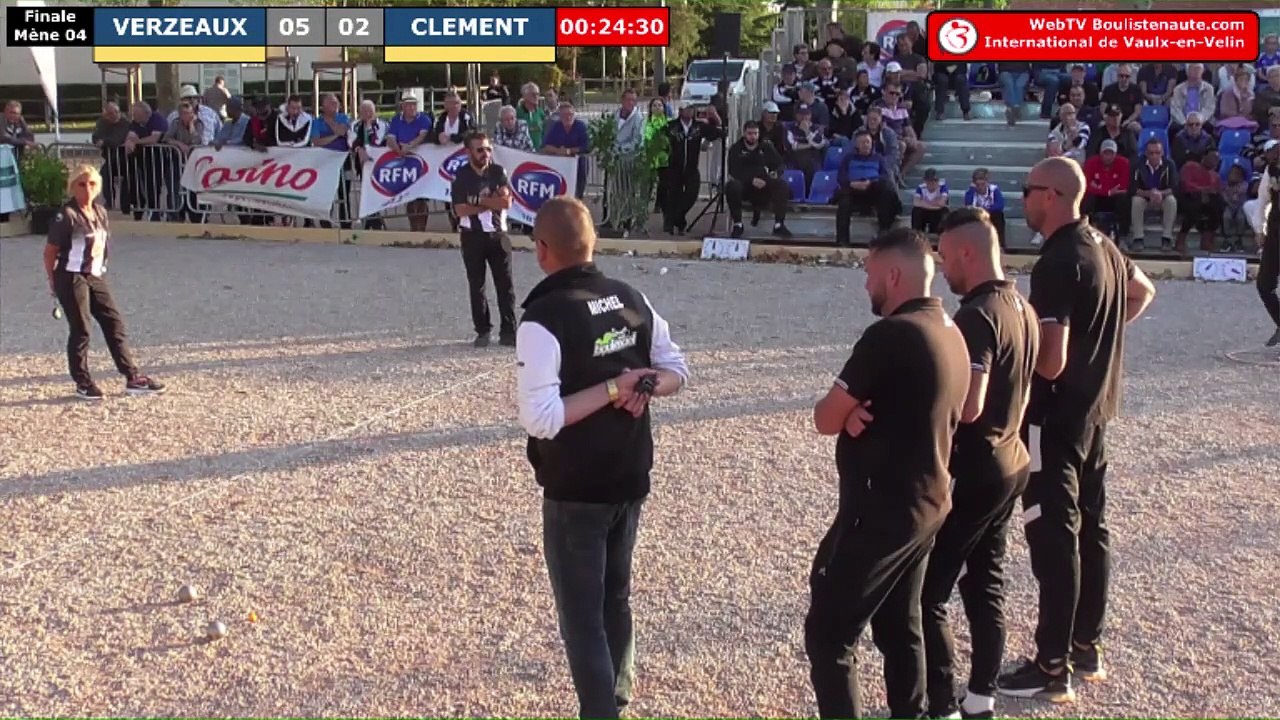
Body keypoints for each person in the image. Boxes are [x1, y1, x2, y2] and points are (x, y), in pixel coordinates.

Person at [516, 196, 688, 720]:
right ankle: (617, 693)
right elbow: (677, 370)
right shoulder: (630, 297)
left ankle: (601, 711)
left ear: (542, 250)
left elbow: (540, 417)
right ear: (592, 243)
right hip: (629, 474)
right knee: (615, 597)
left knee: (583, 616)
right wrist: (643, 384)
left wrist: (620, 386)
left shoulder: (543, 319)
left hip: (577, 487)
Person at [997, 157, 1156, 703]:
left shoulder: (1059, 260)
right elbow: (1143, 293)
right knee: (1092, 528)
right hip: (1096, 413)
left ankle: (1051, 665)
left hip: (1054, 419)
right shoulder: (1104, 246)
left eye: (1028, 189)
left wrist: (1012, 338)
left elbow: (1050, 362)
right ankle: (1087, 648)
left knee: (1053, 535)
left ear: (1054, 194)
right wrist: (1102, 341)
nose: (1023, 199)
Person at [807, 226, 970, 720]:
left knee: (830, 635)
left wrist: (845, 412)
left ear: (893, 275)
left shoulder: (890, 336)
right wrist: (858, 410)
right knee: (901, 625)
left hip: (881, 511)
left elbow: (824, 417)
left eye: (869, 273)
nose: (865, 285)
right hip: (928, 500)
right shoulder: (949, 329)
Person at [924, 208, 1040, 719]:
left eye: (946, 257)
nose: (944, 269)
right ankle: (981, 696)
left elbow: (968, 405)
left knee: (928, 593)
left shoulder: (976, 316)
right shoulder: (1022, 305)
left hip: (975, 469)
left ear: (967, 253)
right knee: (985, 580)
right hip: (1012, 457)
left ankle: (942, 703)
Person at [42, 164, 166, 400]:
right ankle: (82, 381)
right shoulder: (66, 215)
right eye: (81, 184)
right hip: (70, 274)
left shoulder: (100, 211)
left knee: (114, 322)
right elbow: (49, 252)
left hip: (94, 274)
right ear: (72, 187)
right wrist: (52, 283)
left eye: (91, 184)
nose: (87, 189)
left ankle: (132, 376)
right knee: (81, 329)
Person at [450, 132, 517, 348]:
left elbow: (506, 202)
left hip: (498, 235)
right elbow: (460, 209)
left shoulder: (498, 172)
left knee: (505, 285)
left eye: (488, 149)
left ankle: (509, 331)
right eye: (479, 149)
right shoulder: (461, 176)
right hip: (472, 237)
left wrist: (477, 202)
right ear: (468, 152)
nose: (485, 153)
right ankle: (483, 330)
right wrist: (490, 201)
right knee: (477, 285)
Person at [661, 102, 721, 235]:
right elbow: (661, 141)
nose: (689, 112)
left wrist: (716, 118)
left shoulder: (698, 127)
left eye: (691, 109)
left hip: (691, 168)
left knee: (691, 194)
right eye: (686, 109)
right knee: (673, 195)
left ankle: (677, 217)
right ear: (681, 111)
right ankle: (672, 223)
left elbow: (717, 133)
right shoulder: (672, 127)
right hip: (674, 168)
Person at [725, 121, 791, 239]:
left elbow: (780, 164)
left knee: (782, 186)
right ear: (744, 133)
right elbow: (734, 170)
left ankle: (779, 225)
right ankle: (738, 224)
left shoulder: (766, 146)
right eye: (750, 133)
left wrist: (775, 173)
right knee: (732, 186)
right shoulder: (736, 149)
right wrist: (751, 180)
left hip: (764, 183)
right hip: (745, 186)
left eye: (755, 133)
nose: (753, 136)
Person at [835, 131, 899, 244]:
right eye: (863, 142)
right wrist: (852, 183)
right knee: (844, 200)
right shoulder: (848, 158)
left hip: (872, 188)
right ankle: (842, 240)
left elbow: (884, 176)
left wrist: (871, 182)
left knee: (886, 189)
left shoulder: (878, 158)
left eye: (868, 142)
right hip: (853, 189)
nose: (866, 145)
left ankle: (884, 231)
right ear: (857, 145)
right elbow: (841, 176)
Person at [387, 91, 433, 232]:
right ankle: (414, 227)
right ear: (403, 106)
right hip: (405, 163)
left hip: (421, 163)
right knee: (409, 197)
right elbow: (390, 138)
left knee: (421, 197)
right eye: (409, 105)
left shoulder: (423, 119)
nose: (412, 108)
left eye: (414, 105)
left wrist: (409, 146)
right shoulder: (396, 120)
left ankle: (422, 228)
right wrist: (398, 149)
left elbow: (422, 136)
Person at [1251, 141, 1280, 346]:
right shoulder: (1272, 171)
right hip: (1276, 233)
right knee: (1264, 285)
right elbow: (1262, 201)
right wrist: (1259, 229)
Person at [1129, 137, 1180, 252]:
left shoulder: (1169, 165)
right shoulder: (1137, 164)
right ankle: (1138, 238)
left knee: (1171, 201)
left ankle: (1167, 238)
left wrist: (1160, 193)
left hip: (1162, 198)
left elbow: (1174, 187)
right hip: (1145, 198)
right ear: (1146, 153)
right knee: (1136, 201)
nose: (1154, 156)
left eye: (1157, 153)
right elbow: (1133, 188)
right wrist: (1149, 193)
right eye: (1151, 153)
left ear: (1162, 153)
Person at [310, 93, 353, 229]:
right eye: (332, 103)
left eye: (337, 103)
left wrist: (329, 124)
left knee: (344, 190)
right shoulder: (317, 122)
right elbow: (317, 141)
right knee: (327, 192)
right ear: (324, 106)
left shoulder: (343, 117)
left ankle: (345, 219)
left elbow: (342, 131)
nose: (336, 106)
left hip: (343, 159)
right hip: (326, 161)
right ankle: (325, 219)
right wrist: (335, 136)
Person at [350, 99, 391, 231]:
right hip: (363, 164)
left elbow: (378, 141)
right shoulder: (355, 125)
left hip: (379, 163)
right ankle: (371, 219)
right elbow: (351, 141)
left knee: (377, 190)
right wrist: (359, 149)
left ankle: (374, 218)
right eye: (364, 111)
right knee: (366, 190)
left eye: (370, 111)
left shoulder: (382, 125)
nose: (367, 114)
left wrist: (369, 128)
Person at [1082, 139, 1132, 240]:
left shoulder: (1124, 163)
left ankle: (1123, 235)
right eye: (1105, 153)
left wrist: (1100, 188)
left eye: (1111, 153)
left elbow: (1123, 186)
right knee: (1087, 198)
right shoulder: (1091, 163)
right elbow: (1086, 185)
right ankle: (1083, 231)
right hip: (1097, 199)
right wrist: (1108, 191)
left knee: (1124, 198)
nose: (1108, 157)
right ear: (1100, 153)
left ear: (1115, 154)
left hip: (1114, 198)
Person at [542, 102, 591, 199]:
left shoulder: (581, 126)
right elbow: (546, 146)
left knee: (577, 194)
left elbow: (586, 147)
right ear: (560, 116)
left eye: (570, 114)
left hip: (579, 165)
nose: (568, 117)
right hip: (560, 166)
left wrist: (569, 151)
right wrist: (557, 151)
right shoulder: (556, 127)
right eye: (564, 115)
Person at [1176, 149, 1222, 253]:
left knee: (1218, 204)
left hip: (1207, 202)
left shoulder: (1215, 176)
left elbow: (1216, 190)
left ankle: (1207, 238)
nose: (1215, 161)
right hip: (1187, 198)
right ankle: (1181, 238)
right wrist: (1202, 190)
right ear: (1204, 156)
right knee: (1194, 205)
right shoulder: (1190, 166)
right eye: (1213, 157)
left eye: (1217, 159)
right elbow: (1185, 185)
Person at [92, 102, 132, 213]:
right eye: (110, 113)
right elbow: (95, 137)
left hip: (125, 158)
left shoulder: (126, 123)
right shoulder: (102, 123)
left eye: (116, 112)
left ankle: (126, 204)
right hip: (110, 158)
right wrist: (100, 141)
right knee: (104, 175)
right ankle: (109, 201)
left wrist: (105, 141)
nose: (114, 115)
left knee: (128, 178)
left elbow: (118, 139)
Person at [964, 168, 1007, 247]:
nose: (980, 187)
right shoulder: (970, 192)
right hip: (976, 215)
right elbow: (968, 205)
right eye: (978, 185)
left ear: (987, 183)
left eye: (983, 184)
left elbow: (1000, 205)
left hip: (990, 214)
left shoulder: (994, 190)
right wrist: (972, 189)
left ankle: (1000, 245)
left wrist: (985, 210)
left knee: (999, 215)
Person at [1220, 161, 1251, 253]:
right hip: (1229, 206)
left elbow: (1240, 197)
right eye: (1231, 173)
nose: (1233, 176)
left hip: (1241, 206)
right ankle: (1227, 239)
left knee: (1240, 217)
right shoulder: (1225, 185)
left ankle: (1239, 239)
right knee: (1226, 216)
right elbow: (1224, 197)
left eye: (1236, 174)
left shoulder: (1244, 185)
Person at [911, 168, 950, 237]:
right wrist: (934, 203)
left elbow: (942, 203)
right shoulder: (921, 188)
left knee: (944, 211)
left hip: (937, 212)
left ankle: (938, 235)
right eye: (930, 181)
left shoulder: (942, 187)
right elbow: (916, 202)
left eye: (935, 180)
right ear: (925, 181)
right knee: (916, 211)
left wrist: (924, 202)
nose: (932, 183)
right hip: (926, 211)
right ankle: (917, 234)